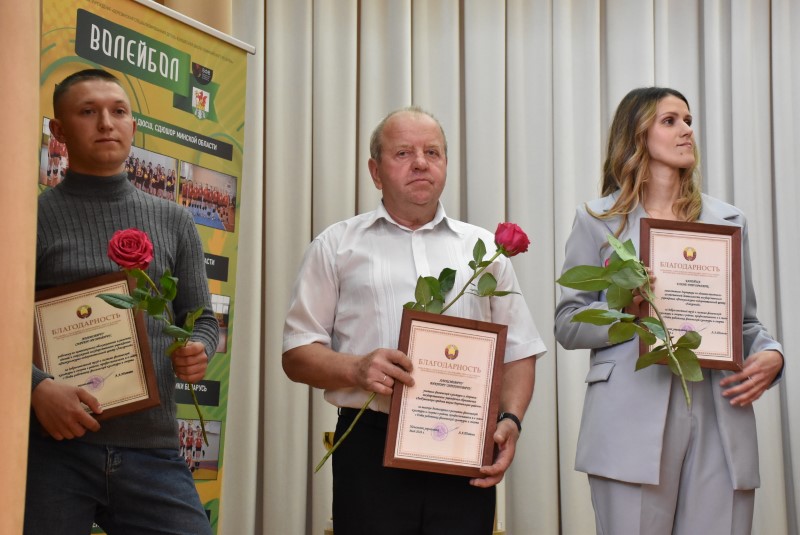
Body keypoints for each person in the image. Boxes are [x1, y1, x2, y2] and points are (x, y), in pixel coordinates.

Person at [282, 106, 547, 534]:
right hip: (369, 445)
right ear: (375, 171)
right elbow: (297, 354)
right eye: (403, 153)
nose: (421, 163)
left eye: (432, 152)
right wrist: (356, 368)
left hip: (464, 445)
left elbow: (519, 351)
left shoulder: (484, 251)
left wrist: (511, 420)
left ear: (445, 164)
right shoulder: (336, 246)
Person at [555, 87, 784, 535]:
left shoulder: (728, 221)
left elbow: (746, 324)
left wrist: (773, 355)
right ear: (637, 134)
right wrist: (627, 313)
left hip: (720, 410)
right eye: (670, 120)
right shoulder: (597, 220)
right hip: (629, 415)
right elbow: (567, 323)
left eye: (688, 121)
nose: (686, 131)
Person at [27, 69, 218, 535]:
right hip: (54, 447)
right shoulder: (28, 218)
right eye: (88, 112)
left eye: (118, 112)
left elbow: (203, 320)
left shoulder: (174, 220)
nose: (106, 123)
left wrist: (198, 349)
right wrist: (35, 386)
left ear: (133, 126)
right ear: (59, 131)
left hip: (152, 446)